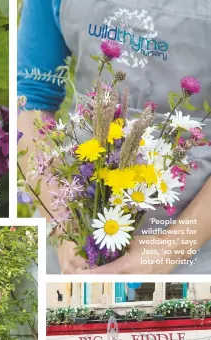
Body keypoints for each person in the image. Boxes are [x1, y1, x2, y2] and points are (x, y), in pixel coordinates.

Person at [17, 0, 211, 273]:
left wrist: (171, 248)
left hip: (196, 230)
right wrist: (63, 222)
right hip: (75, 221)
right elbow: (29, 97)